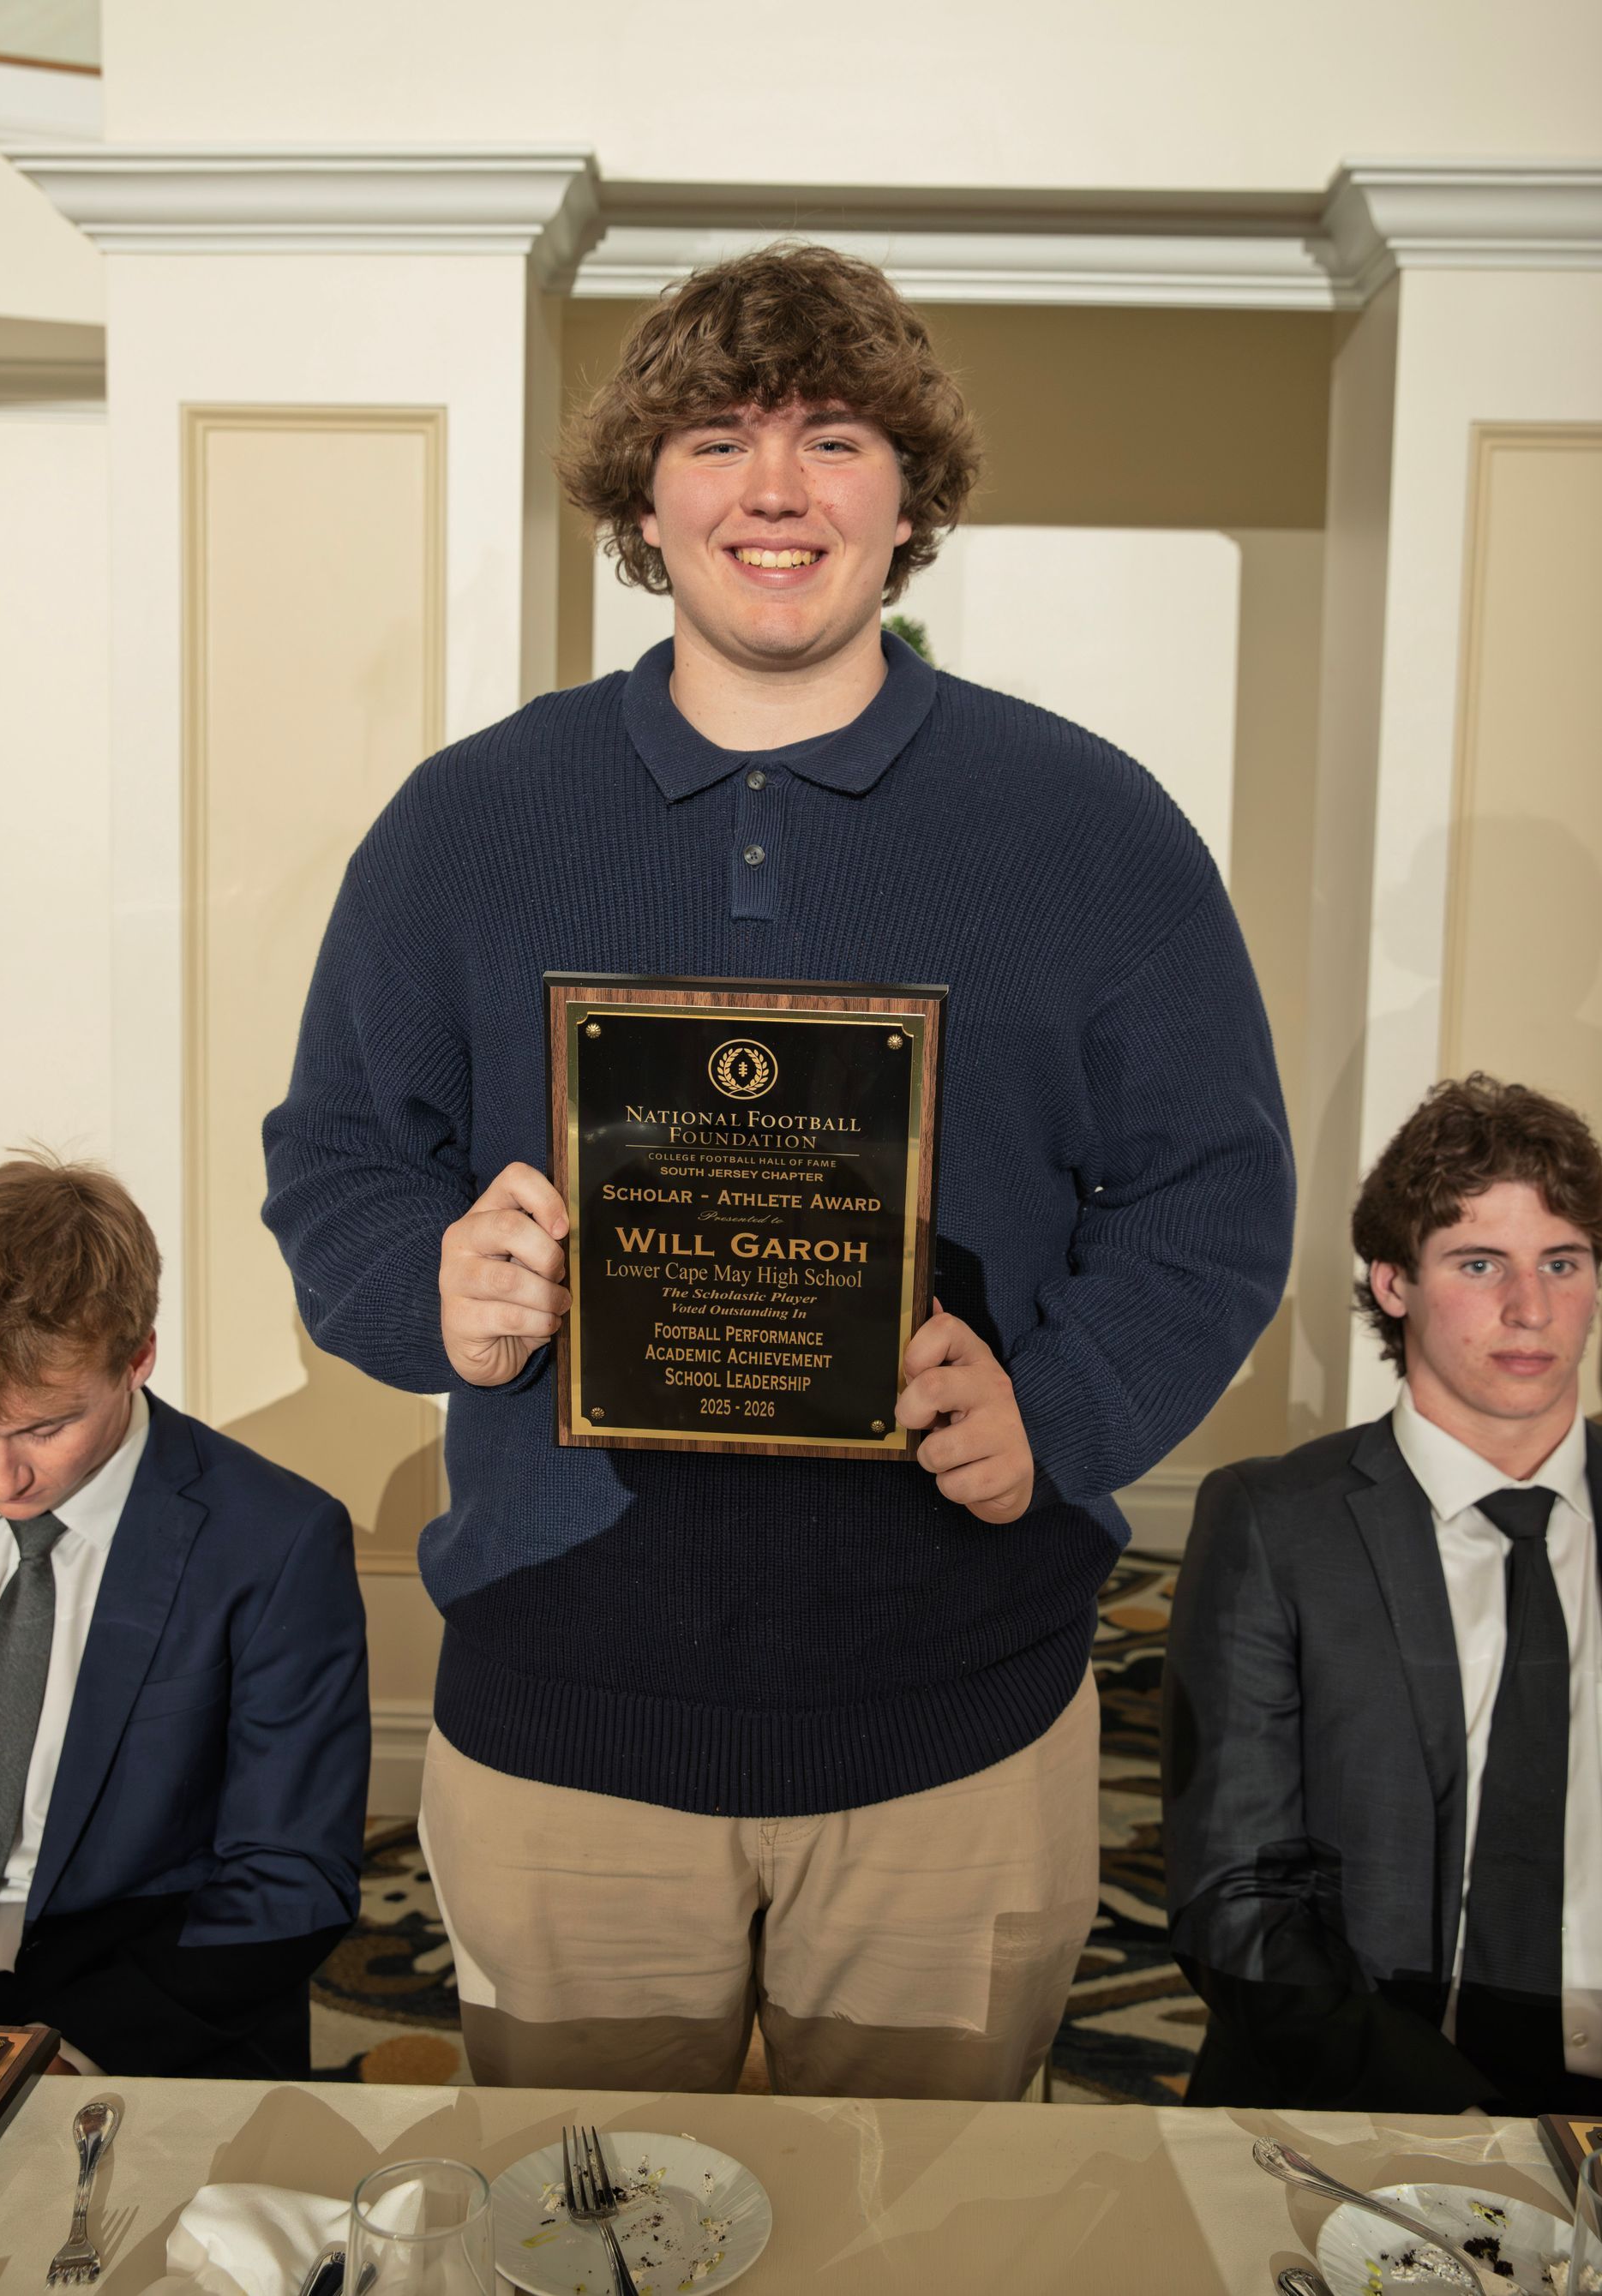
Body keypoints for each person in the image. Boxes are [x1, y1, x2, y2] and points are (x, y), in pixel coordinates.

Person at [264, 241, 1293, 2101]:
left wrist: (1057, 1408)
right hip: (568, 1716)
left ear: (912, 503)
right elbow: (336, 1149)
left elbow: (1214, 1189)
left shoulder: (1089, 825)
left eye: (834, 438)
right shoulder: (472, 821)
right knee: (575, 2223)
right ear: (641, 498)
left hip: (956, 1730)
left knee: (922, 2241)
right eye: (718, 438)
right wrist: (428, 1278)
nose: (776, 489)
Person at [1164, 1073, 1602, 2113]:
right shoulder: (1274, 1524)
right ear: (1394, 1283)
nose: (1529, 1308)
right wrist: (1452, 2127)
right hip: (1368, 2088)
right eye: (1479, 1262)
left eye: (1564, 1263)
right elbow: (1239, 1900)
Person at [0, 1155, 369, 2077]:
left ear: (137, 1358)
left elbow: (290, 1881)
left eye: (43, 1428)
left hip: (131, 1999)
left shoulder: (276, 1540)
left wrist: (81, 2054)